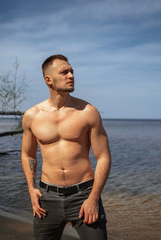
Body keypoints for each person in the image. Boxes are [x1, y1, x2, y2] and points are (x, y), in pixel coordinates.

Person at [21, 54, 111, 240]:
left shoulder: (88, 112)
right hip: (47, 198)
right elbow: (28, 154)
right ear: (49, 80)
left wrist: (93, 198)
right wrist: (31, 189)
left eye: (72, 71)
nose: (71, 75)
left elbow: (103, 156)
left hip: (84, 196)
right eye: (64, 72)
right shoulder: (32, 116)